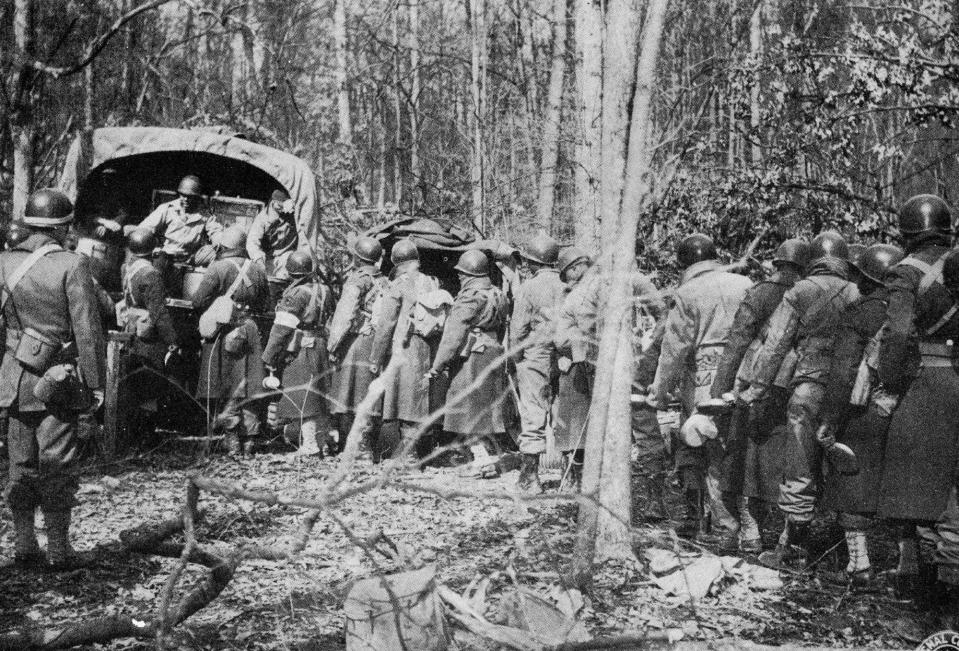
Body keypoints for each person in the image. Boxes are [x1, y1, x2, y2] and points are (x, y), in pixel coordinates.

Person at [740, 231, 859, 569]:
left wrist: (758, 388)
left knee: (800, 465)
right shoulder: (858, 291)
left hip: (807, 388)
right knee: (844, 463)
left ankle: (794, 550)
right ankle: (848, 553)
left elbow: (775, 345)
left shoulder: (799, 291)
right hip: (849, 391)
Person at [2, 188, 105, 569]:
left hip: (13, 378)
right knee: (57, 464)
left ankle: (24, 544)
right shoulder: (72, 264)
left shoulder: (4, 262)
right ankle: (59, 550)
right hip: (57, 380)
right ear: (62, 228)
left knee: (21, 463)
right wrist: (95, 385)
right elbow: (87, 331)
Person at [876, 195, 959, 630]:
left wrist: (890, 385)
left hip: (933, 382)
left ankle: (940, 602)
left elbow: (898, 337)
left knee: (928, 492)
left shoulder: (905, 272)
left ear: (907, 235)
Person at [645, 234, 752, 541]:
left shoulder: (687, 293)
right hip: (743, 376)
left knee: (695, 449)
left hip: (703, 380)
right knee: (736, 452)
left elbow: (674, 348)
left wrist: (660, 390)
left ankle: (719, 528)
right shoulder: (744, 284)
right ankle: (746, 528)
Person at [709, 238, 811, 553]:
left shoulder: (760, 293)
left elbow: (737, 342)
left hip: (756, 383)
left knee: (746, 457)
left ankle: (751, 531)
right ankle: (782, 534)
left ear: (776, 264)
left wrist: (720, 390)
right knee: (787, 458)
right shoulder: (809, 295)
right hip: (796, 384)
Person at [817, 243, 903, 589]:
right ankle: (907, 566)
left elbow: (842, 372)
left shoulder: (860, 314)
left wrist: (829, 419)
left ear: (866, 279)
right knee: (901, 485)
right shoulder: (910, 312)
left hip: (864, 411)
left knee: (852, 481)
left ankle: (859, 566)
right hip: (903, 407)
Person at [426, 249, 509, 478]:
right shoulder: (498, 294)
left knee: (468, 410)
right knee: (485, 411)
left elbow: (454, 334)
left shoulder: (470, 296)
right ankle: (486, 460)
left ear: (470, 274)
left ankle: (481, 463)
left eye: (462, 274)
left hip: (472, 357)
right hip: (493, 353)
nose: (460, 277)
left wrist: (438, 365)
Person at [192, 226, 270, 456]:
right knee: (249, 386)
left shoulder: (217, 268)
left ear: (224, 247)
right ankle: (250, 442)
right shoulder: (258, 269)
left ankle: (233, 441)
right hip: (251, 330)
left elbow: (197, 301)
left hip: (226, 331)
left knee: (227, 386)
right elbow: (266, 305)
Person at [370, 239, 447, 465]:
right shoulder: (432, 282)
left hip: (404, 346)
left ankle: (409, 456)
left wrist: (375, 357)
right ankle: (419, 452)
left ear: (397, 263)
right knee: (419, 399)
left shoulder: (397, 286)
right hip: (427, 346)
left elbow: (385, 325)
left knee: (404, 401)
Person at [262, 251, 334, 456]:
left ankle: (310, 444)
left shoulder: (295, 294)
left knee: (303, 397)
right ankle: (323, 442)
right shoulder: (325, 289)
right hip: (321, 344)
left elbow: (281, 330)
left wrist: (268, 357)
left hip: (302, 348)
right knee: (319, 395)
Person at [510, 233, 565, 492]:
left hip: (536, 354)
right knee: (563, 412)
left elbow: (518, 330)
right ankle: (572, 478)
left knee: (533, 412)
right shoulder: (568, 285)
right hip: (565, 356)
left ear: (535, 262)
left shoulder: (528, 288)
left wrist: (515, 357)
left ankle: (530, 478)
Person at [327, 236, 389, 457]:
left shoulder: (357, 281)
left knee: (349, 394)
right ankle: (366, 447)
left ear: (357, 258)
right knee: (368, 395)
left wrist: (333, 346)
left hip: (356, 342)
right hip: (378, 342)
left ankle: (356, 449)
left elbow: (344, 317)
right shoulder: (385, 281)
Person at [117, 228, 178, 444]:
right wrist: (172, 340)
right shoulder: (151, 275)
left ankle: (130, 434)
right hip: (148, 336)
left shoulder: (128, 268)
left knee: (133, 382)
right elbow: (158, 312)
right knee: (150, 382)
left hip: (131, 329)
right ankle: (145, 436)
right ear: (153, 250)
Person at [553, 246, 595, 491]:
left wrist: (569, 348)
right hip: (583, 360)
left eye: (568, 272)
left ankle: (576, 478)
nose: (567, 278)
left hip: (580, 362)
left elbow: (564, 339)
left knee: (576, 420)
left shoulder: (582, 293)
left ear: (578, 267)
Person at [134, 175, 223, 265]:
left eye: (190, 196)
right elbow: (144, 230)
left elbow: (216, 231)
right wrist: (153, 247)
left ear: (197, 197)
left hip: (191, 258)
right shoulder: (167, 209)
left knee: (217, 257)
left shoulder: (204, 215)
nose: (185, 199)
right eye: (183, 195)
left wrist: (218, 241)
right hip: (166, 255)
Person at [248, 189, 301, 307]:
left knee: (283, 281)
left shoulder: (292, 211)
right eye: (278, 205)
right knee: (265, 285)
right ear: (273, 201)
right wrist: (258, 258)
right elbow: (252, 241)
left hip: (286, 255)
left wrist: (295, 207)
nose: (281, 208)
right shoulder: (263, 217)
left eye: (283, 205)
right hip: (267, 258)